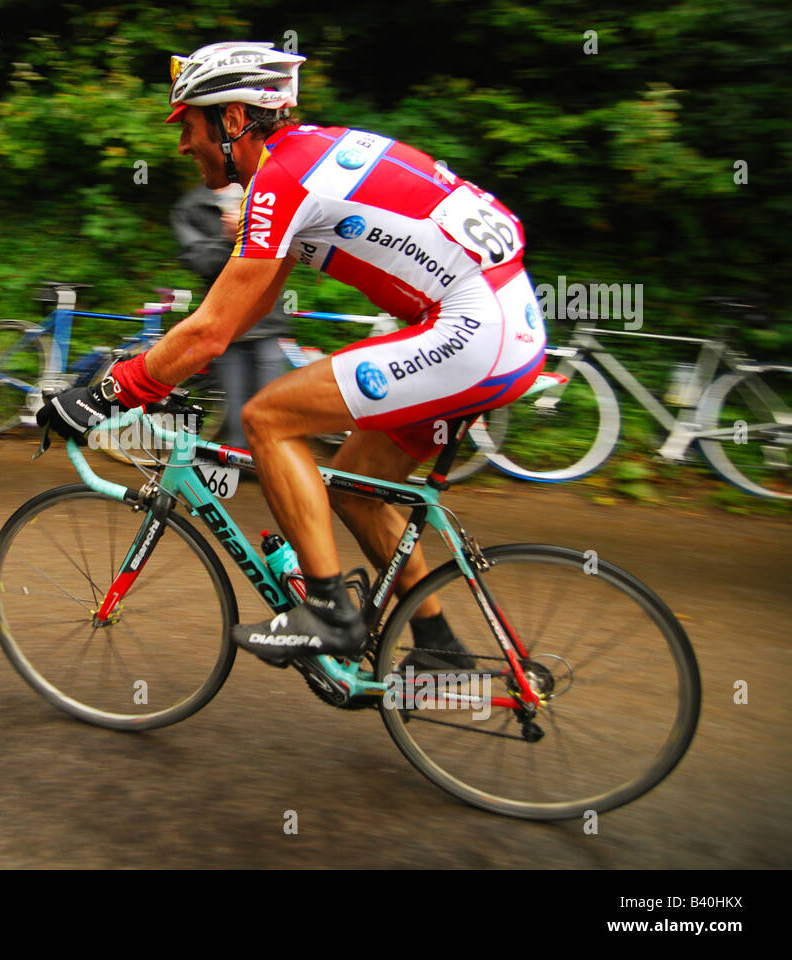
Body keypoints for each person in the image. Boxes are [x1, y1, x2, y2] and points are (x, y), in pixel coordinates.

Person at [39, 42, 547, 668]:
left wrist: (107, 392)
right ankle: (440, 647)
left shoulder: (282, 178)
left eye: (189, 125)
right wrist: (143, 375)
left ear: (232, 121)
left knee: (267, 417)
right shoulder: (312, 155)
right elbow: (239, 310)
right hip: (501, 323)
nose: (181, 145)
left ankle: (331, 612)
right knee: (360, 489)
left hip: (474, 329)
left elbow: (210, 334)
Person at [170, 182, 289, 450]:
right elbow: (200, 262)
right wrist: (229, 238)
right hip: (227, 328)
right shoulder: (192, 206)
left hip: (269, 323)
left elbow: (286, 249)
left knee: (272, 413)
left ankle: (274, 473)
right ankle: (241, 472)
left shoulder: (263, 194)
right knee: (237, 416)